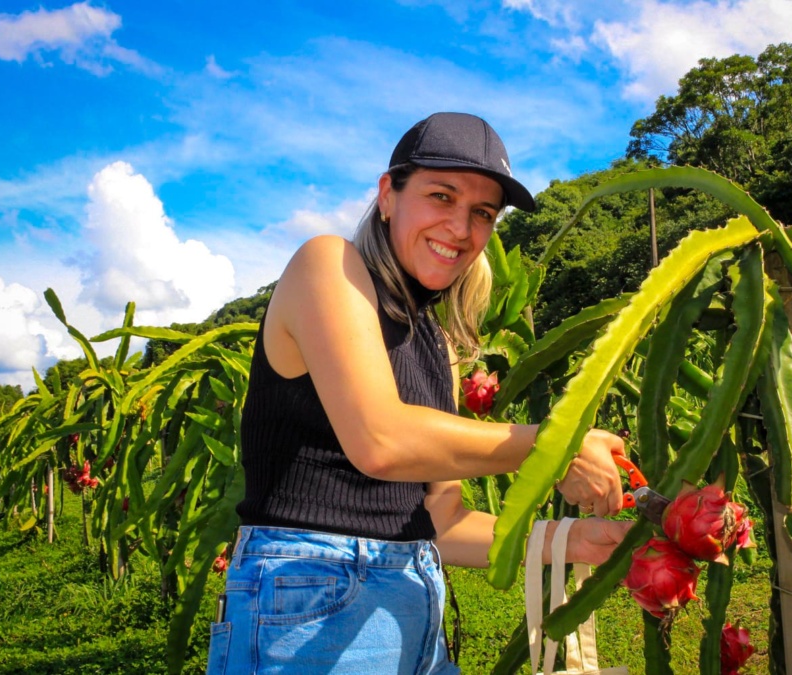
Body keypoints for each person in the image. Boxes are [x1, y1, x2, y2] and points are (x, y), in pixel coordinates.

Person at [206, 112, 632, 674]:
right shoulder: (326, 266)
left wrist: (574, 540)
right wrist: (557, 444)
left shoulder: (438, 346)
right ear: (388, 195)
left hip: (413, 601)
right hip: (311, 604)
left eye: (482, 213)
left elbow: (444, 522)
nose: (461, 228)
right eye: (441, 196)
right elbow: (380, 440)